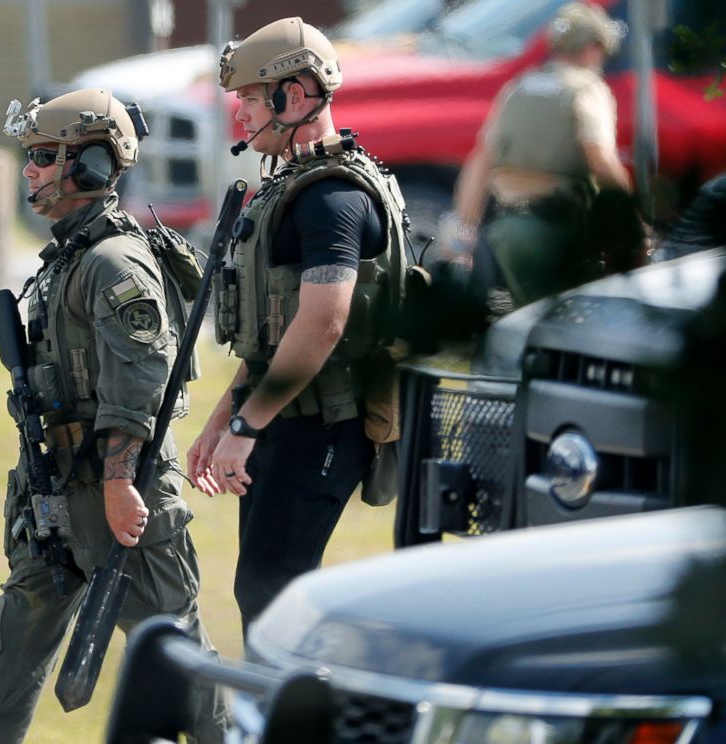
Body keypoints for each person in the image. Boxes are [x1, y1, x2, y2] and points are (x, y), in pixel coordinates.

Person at [0, 88, 225, 744]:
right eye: (30, 157)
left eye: (44, 156)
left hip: (114, 495)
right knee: (9, 647)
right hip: (56, 498)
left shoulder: (113, 262)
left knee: (176, 657)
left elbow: (139, 378)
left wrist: (118, 482)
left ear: (92, 167)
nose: (29, 171)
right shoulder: (65, 260)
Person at [188, 17, 407, 637]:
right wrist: (222, 422)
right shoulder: (295, 184)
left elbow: (322, 321)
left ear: (297, 95)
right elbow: (273, 332)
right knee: (263, 593)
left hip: (321, 426)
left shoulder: (331, 197)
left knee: (274, 599)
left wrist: (244, 426)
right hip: (286, 419)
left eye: (252, 99)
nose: (241, 115)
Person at [451, 1, 633, 307]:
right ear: (591, 47)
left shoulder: (519, 88)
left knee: (529, 318)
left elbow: (482, 160)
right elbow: (601, 160)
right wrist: (631, 218)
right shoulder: (587, 90)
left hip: (507, 230)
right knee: (570, 321)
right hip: (560, 229)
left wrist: (463, 230)